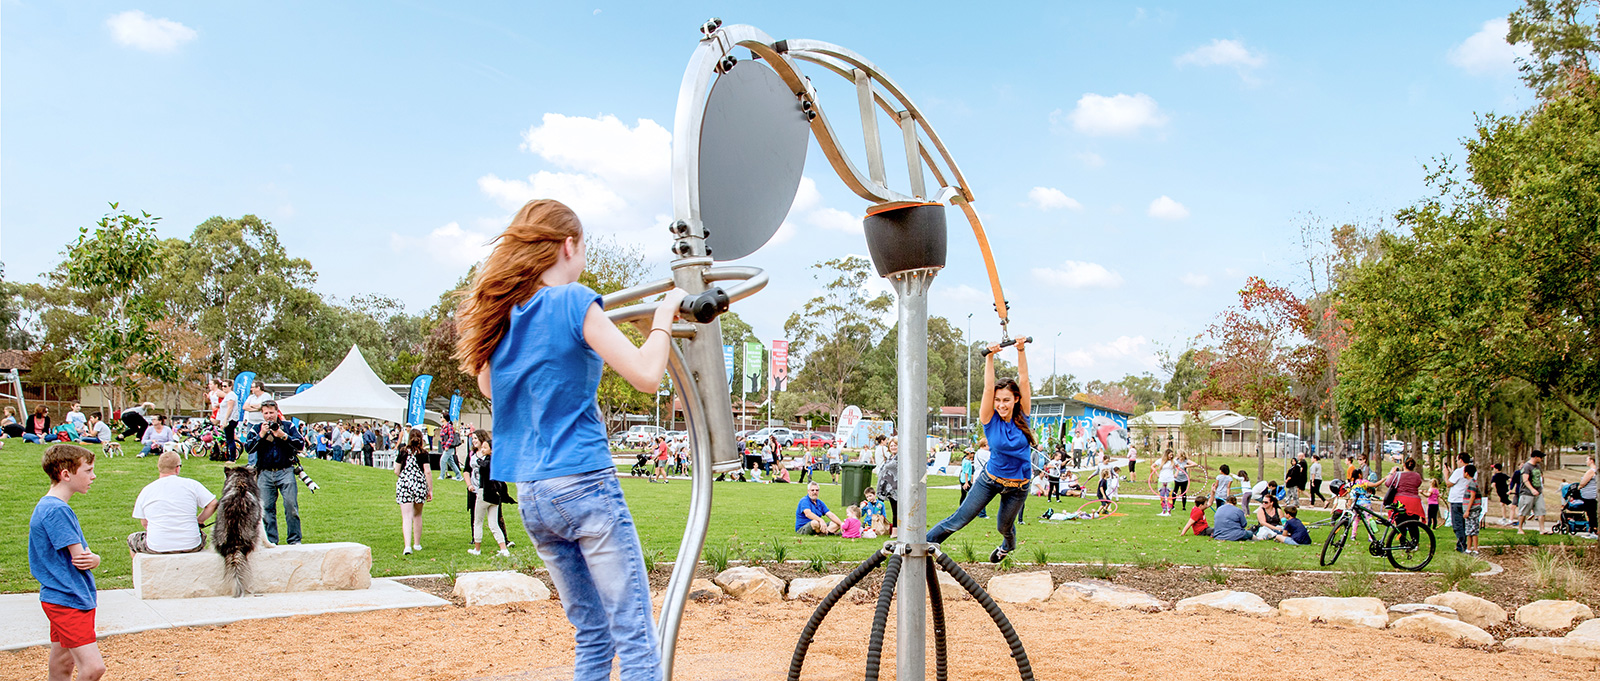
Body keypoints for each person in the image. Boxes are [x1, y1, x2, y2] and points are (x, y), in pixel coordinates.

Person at [456, 199, 687, 679]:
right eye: (583, 248)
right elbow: (647, 374)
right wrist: (662, 319)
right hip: (585, 485)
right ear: (568, 245)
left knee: (593, 634)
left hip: (534, 497)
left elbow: (487, 386)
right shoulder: (573, 301)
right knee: (636, 636)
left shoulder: (501, 319)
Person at [927, 337, 1036, 563]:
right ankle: (922, 546)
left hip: (1018, 487)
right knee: (959, 519)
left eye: (1007, 400)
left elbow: (1024, 379)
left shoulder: (1023, 415)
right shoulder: (989, 419)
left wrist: (1021, 350)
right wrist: (990, 356)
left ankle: (1008, 546)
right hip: (990, 480)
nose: (1001, 404)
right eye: (998, 400)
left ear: (1016, 399)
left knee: (1004, 526)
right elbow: (988, 387)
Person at [30, 444, 106, 681]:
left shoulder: (48, 506)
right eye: (88, 470)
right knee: (93, 668)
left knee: (63, 662)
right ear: (66, 474)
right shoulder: (57, 510)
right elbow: (82, 559)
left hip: (57, 595)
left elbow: (81, 556)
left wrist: (91, 558)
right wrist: (96, 559)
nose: (93, 476)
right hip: (70, 597)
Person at [128, 451, 218, 556]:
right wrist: (199, 520)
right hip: (191, 544)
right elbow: (212, 504)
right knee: (200, 536)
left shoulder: (147, 490)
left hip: (157, 545)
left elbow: (145, 523)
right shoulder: (191, 485)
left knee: (132, 540)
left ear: (159, 467)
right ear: (177, 468)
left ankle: (139, 571)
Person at [243, 400, 306, 545]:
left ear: (277, 412)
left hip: (285, 470)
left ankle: (294, 540)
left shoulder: (288, 426)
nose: (269, 416)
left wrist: (283, 436)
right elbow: (248, 448)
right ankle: (271, 541)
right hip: (265, 472)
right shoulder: (257, 428)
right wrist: (261, 435)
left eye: (271, 412)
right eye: (266, 413)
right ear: (262, 414)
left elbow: (300, 444)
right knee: (266, 509)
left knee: (291, 506)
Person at [466, 431, 512, 557]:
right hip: (495, 495)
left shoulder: (487, 461)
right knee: (493, 523)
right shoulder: (497, 461)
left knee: (478, 521)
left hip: (484, 493)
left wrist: (477, 458)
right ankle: (503, 549)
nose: (483, 449)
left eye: (485, 448)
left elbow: (482, 465)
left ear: (491, 450)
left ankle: (477, 549)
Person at [395, 429, 433, 554]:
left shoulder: (402, 452)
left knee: (406, 517)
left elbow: (396, 470)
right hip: (419, 484)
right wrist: (430, 489)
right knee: (417, 515)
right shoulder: (424, 453)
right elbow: (427, 471)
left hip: (405, 484)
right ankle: (417, 544)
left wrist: (405, 478)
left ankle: (407, 546)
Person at [1446, 452, 1473, 552]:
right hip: (1466, 500)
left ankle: (1461, 546)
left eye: (1457, 460)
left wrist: (1446, 475)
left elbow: (1449, 484)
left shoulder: (1459, 471)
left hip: (1456, 500)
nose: (1457, 462)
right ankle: (1464, 544)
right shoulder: (1472, 470)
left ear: (1461, 460)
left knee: (1457, 525)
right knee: (1465, 524)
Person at [1385, 458, 1425, 523]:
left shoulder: (1398, 475)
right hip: (1415, 503)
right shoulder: (1417, 476)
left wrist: (1391, 473)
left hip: (1401, 502)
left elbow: (1387, 484)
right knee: (1413, 526)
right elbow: (1418, 483)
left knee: (1400, 526)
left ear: (1404, 465)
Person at [1515, 451, 1546, 535]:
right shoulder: (1526, 466)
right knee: (1524, 511)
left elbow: (1540, 478)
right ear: (1535, 457)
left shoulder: (1538, 466)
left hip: (1538, 492)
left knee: (1541, 511)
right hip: (1527, 493)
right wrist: (1532, 489)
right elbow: (1525, 480)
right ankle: (1520, 529)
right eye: (1540, 457)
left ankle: (1542, 529)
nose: (1541, 459)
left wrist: (1540, 490)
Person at [1463, 463, 1483, 554]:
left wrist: (1467, 510)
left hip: (1473, 510)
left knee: (1474, 529)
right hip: (1470, 510)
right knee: (1468, 529)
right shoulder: (1471, 482)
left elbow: (1472, 496)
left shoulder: (1472, 483)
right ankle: (1468, 548)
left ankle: (1475, 548)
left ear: (1466, 473)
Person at [217, 387, 240, 462]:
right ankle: (229, 456)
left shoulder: (231, 395)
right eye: (222, 386)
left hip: (230, 419)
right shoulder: (227, 395)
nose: (223, 388)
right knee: (228, 439)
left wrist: (225, 419)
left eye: (225, 386)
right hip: (228, 419)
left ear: (230, 386)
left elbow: (230, 408)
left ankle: (232, 458)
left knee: (230, 439)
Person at [1577, 454, 1597, 535]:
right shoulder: (1597, 470)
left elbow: (1583, 482)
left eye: (1587, 460)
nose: (1586, 461)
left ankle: (1593, 529)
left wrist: (1579, 487)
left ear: (1592, 460)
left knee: (1590, 513)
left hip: (1589, 495)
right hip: (1594, 494)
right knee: (1593, 512)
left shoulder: (1591, 471)